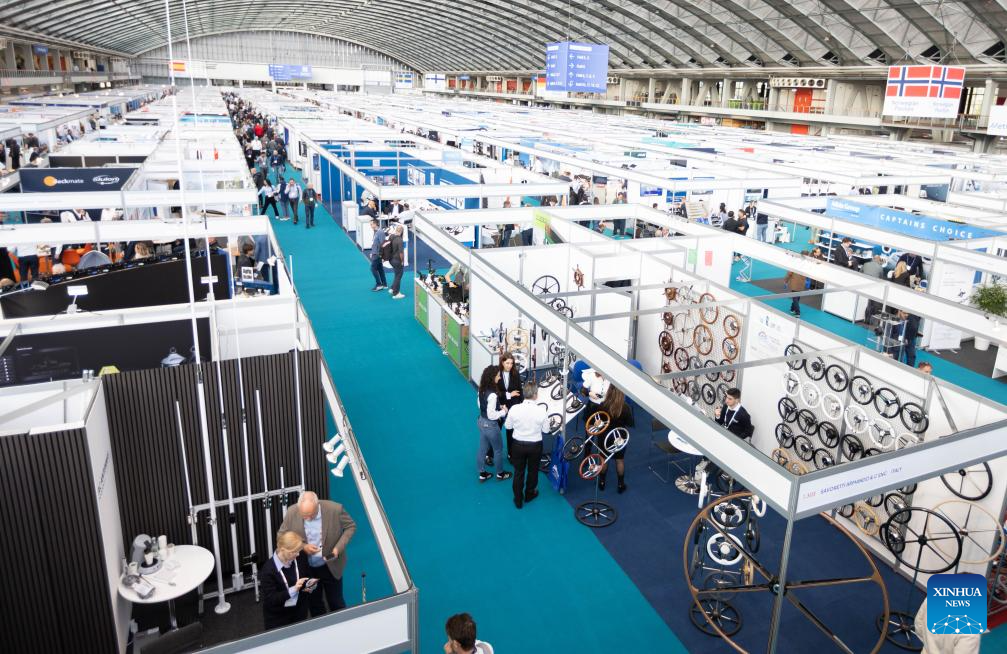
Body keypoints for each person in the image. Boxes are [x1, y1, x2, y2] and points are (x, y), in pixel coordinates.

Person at [277, 491, 356, 615]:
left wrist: (337, 549)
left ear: (317, 505)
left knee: (336, 602)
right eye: (304, 516)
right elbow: (281, 535)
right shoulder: (292, 511)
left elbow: (351, 527)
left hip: (331, 566)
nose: (307, 519)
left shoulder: (335, 509)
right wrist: (303, 547)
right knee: (314, 603)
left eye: (311, 515)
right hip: (308, 569)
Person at [503, 381, 550, 509]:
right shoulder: (541, 411)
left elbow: (507, 426)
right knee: (533, 471)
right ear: (535, 395)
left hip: (517, 444)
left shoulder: (514, 408)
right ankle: (530, 494)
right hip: (535, 445)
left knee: (518, 471)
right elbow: (546, 430)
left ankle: (518, 499)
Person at [259, 530, 315, 630]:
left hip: (300, 611)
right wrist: (293, 590)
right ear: (282, 550)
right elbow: (271, 599)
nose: (298, 554)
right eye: (294, 552)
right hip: (278, 617)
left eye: (299, 550)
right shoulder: (267, 570)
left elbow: (308, 576)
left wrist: (311, 585)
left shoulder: (300, 556)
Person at [476, 365, 512, 482]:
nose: (499, 378)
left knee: (482, 449)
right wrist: (503, 411)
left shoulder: (481, 389)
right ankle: (500, 474)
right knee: (498, 450)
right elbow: (492, 415)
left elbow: (481, 405)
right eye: (497, 376)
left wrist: (497, 406)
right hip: (491, 426)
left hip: (481, 421)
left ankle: (482, 474)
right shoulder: (493, 395)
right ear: (492, 377)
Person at [596, 386, 633, 493]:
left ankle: (602, 482)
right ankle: (620, 484)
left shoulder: (603, 405)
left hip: (604, 437)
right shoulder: (625, 407)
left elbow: (598, 422)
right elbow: (629, 423)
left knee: (604, 459)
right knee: (619, 460)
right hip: (620, 438)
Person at [497, 352, 523, 460]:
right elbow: (495, 392)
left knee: (511, 431)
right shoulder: (497, 374)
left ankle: (511, 454)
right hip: (500, 406)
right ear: (502, 362)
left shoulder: (515, 374)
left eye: (511, 363)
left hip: (512, 407)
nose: (509, 366)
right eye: (507, 363)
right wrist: (509, 394)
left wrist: (521, 405)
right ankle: (489, 454)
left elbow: (519, 391)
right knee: (495, 431)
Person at [387, 222, 406, 299]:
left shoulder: (391, 236)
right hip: (397, 260)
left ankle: (392, 288)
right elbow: (401, 253)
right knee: (399, 275)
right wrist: (402, 261)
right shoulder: (400, 240)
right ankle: (396, 293)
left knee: (396, 274)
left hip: (391, 259)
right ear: (402, 232)